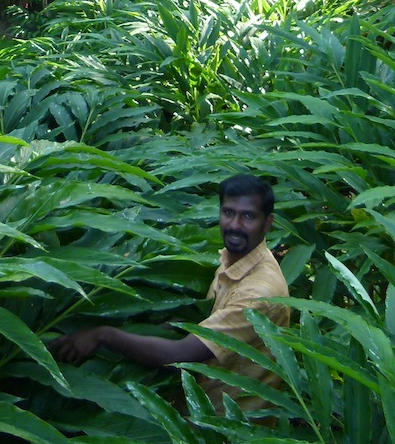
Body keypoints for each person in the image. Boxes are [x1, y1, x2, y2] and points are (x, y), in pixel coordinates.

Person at [48, 173, 290, 414]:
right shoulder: (235, 259)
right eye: (228, 212)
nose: (235, 224)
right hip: (202, 408)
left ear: (267, 223)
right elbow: (212, 321)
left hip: (228, 427)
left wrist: (103, 335)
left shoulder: (258, 293)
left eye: (248, 216)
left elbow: (180, 355)